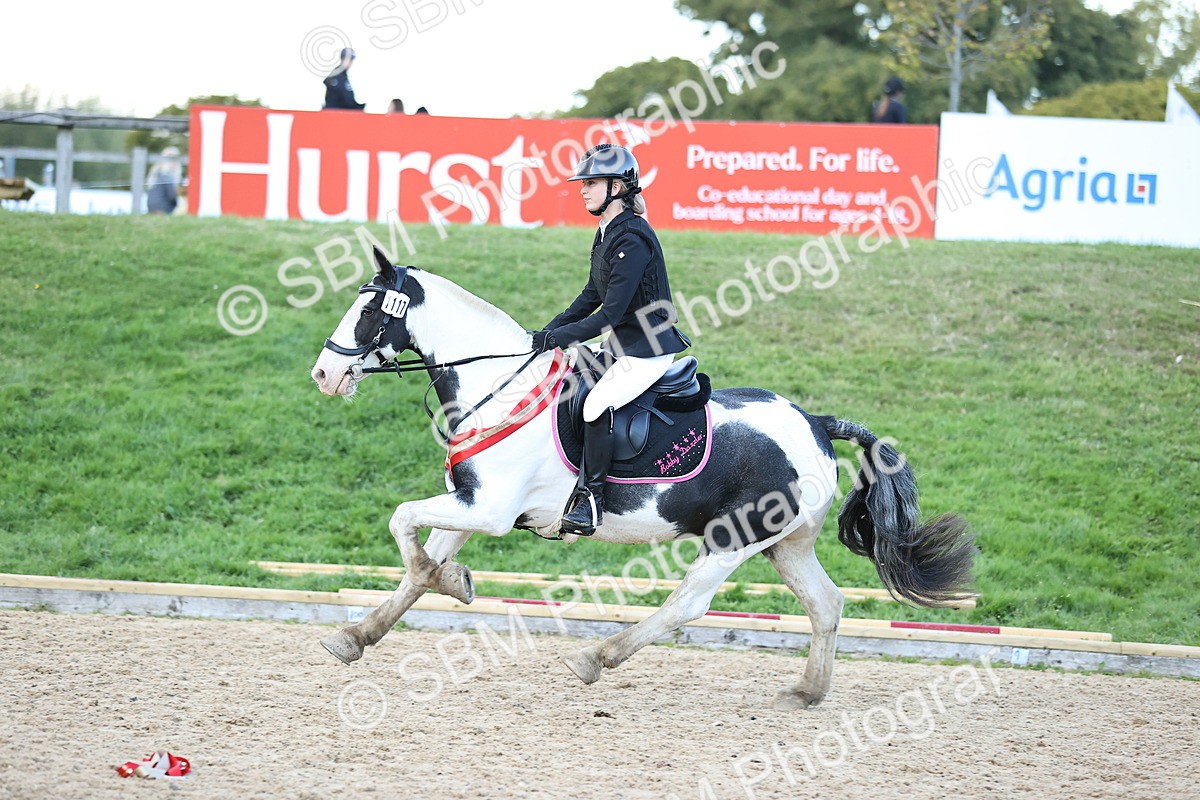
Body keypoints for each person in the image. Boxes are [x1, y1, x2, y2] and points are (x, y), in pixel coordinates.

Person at [531, 144, 691, 536]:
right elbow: (591, 295)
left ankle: (591, 500)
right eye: (583, 183)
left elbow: (609, 316)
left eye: (591, 183)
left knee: (595, 405)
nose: (582, 189)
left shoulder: (632, 237)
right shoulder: (607, 231)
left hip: (648, 350)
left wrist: (559, 338)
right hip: (624, 345)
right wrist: (545, 332)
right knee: (565, 378)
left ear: (616, 187)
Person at [146, 146, 182, 215]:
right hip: (164, 209)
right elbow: (172, 196)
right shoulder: (167, 175)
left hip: (151, 208)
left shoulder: (155, 173)